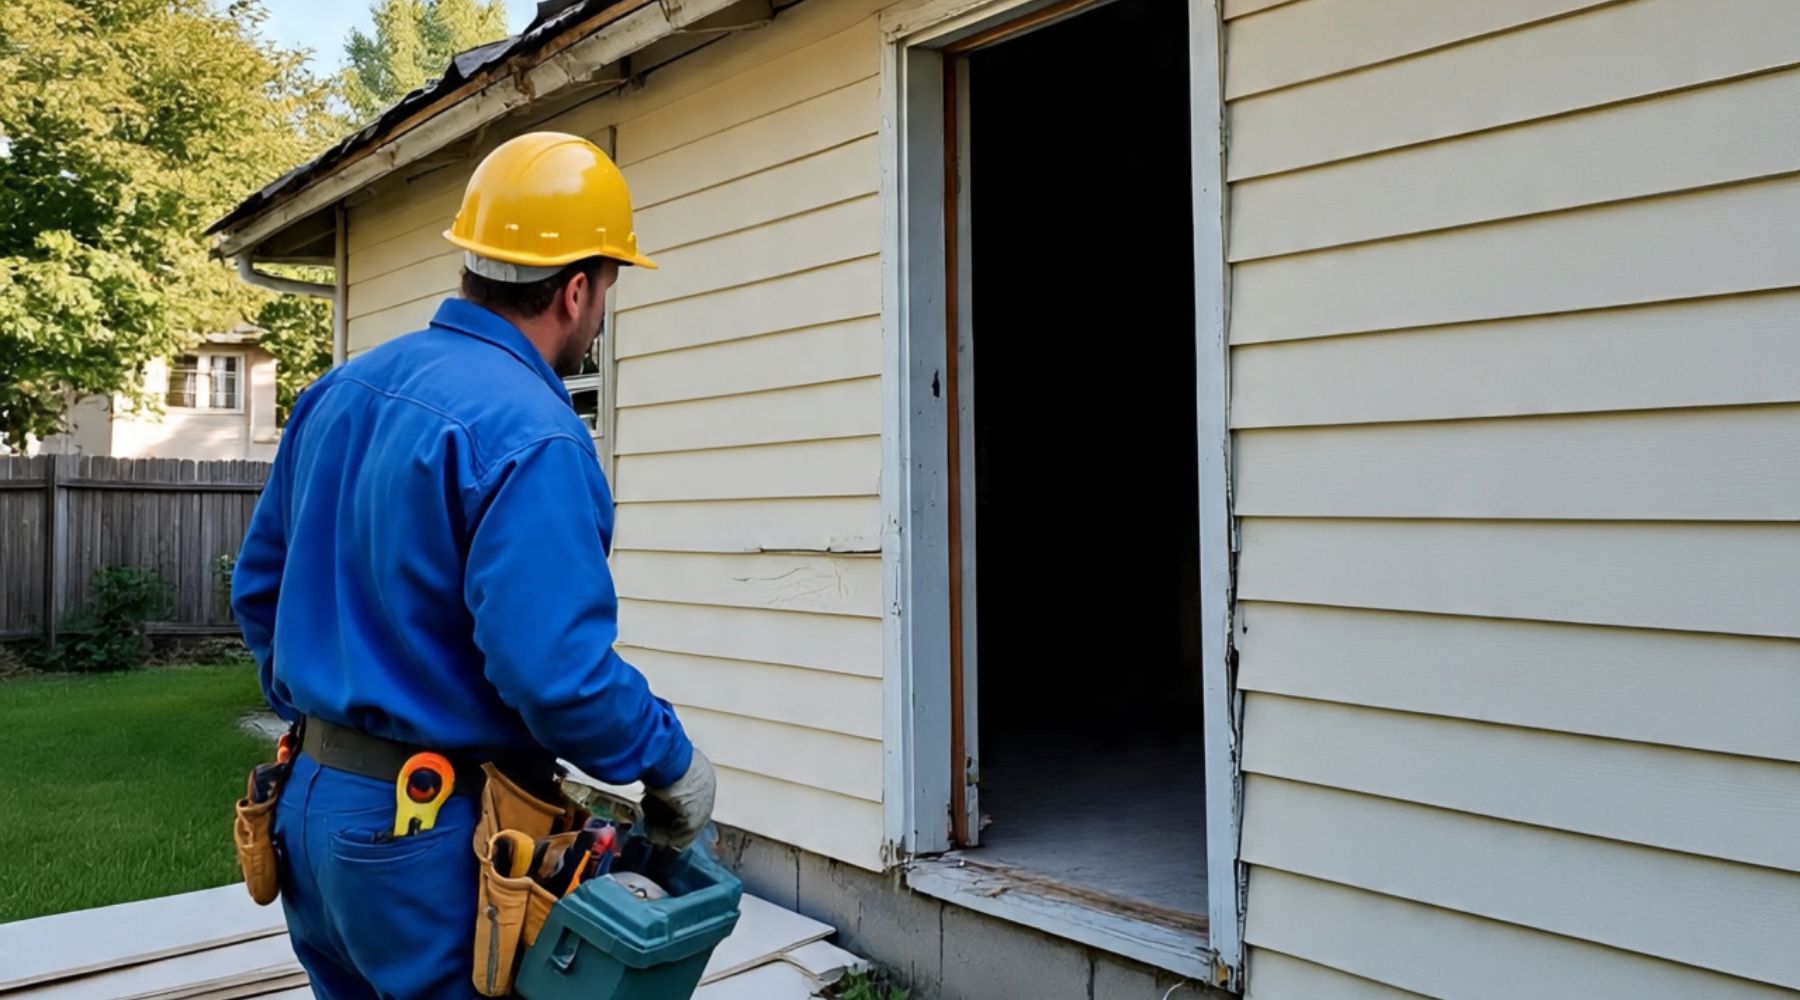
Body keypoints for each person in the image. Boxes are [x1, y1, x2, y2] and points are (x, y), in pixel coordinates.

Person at [232, 132, 715, 999]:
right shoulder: (533, 432)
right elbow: (553, 671)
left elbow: (260, 591)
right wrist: (668, 759)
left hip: (305, 809)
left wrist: (336, 733)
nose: (599, 313)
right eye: (606, 290)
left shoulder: (340, 392)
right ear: (575, 289)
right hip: (424, 837)